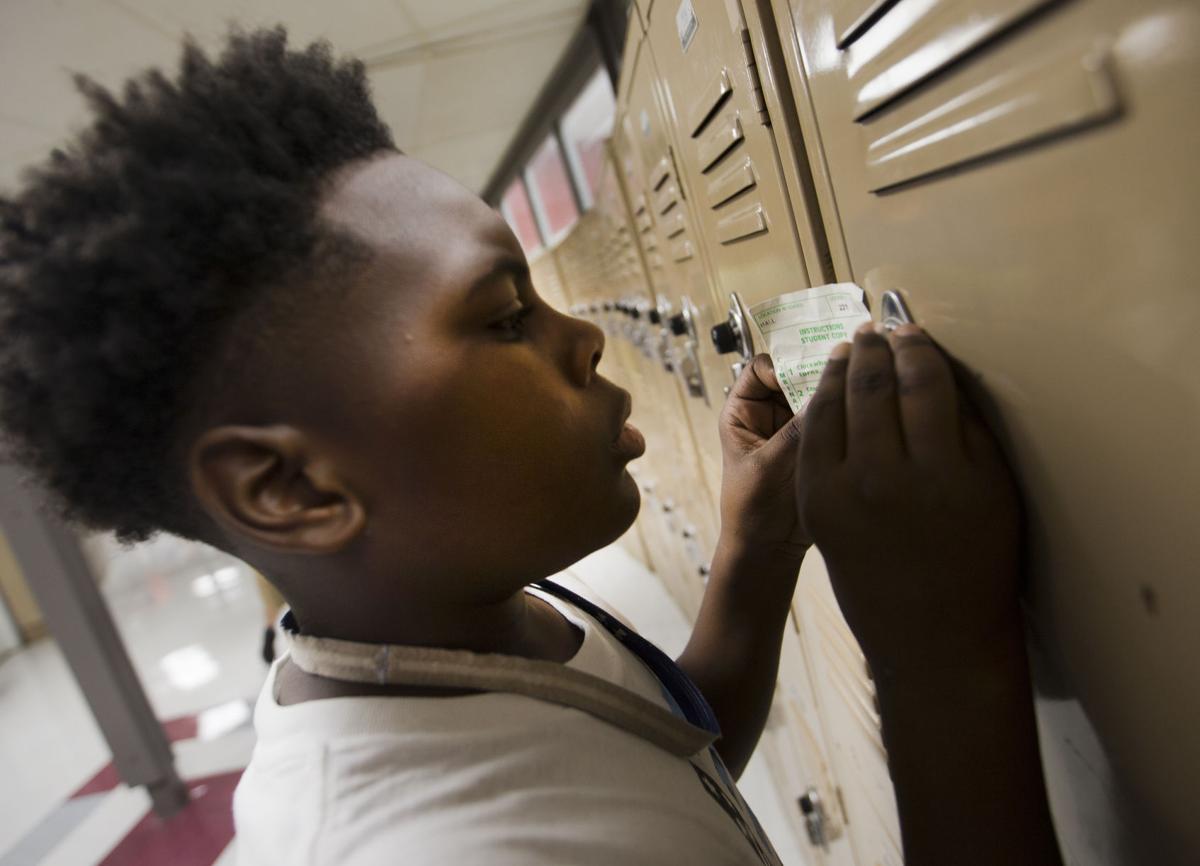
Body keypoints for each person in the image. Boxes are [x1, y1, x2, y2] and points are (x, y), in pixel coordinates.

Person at [0, 28, 1062, 866]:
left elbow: (650, 758)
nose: (586, 335)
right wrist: (944, 659)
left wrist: (756, 542)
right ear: (293, 486)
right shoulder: (429, 848)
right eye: (506, 316)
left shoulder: (459, 621)